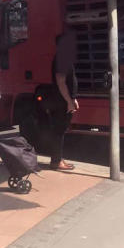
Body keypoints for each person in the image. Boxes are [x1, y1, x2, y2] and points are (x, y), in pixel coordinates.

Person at [50, 26, 80, 171]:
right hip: (61, 101)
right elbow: (60, 81)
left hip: (64, 100)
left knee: (60, 130)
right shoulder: (62, 58)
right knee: (59, 131)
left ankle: (58, 159)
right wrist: (69, 101)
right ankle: (56, 161)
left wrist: (73, 98)